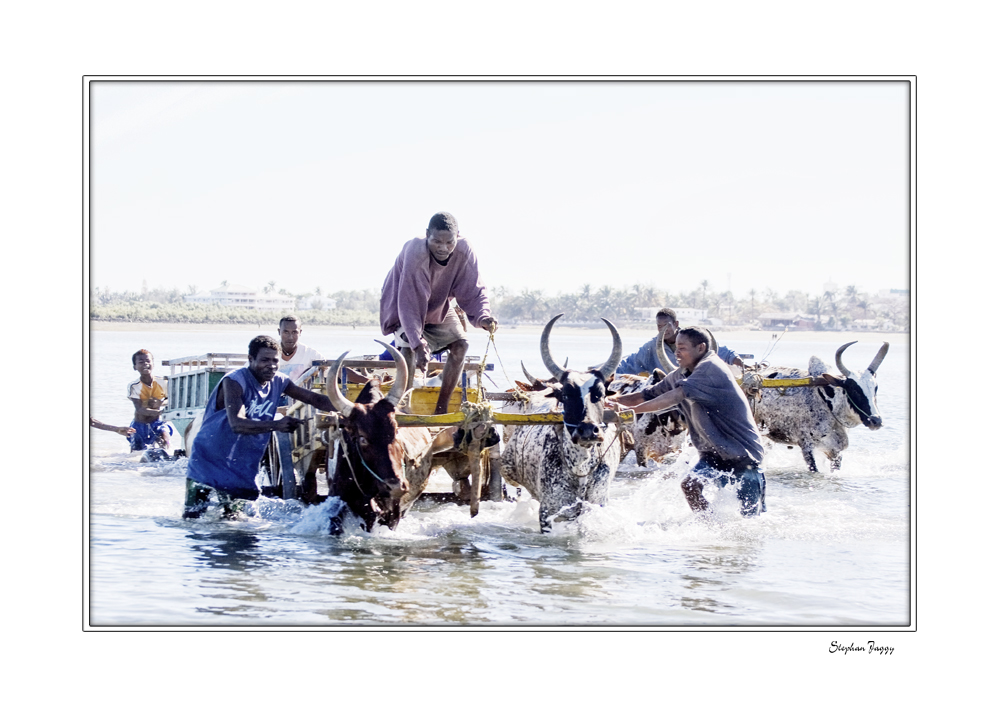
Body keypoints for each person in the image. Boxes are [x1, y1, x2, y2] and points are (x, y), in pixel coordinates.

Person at [607, 326, 766, 517]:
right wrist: (613, 401)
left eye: (682, 348)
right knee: (690, 485)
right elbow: (648, 394)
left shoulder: (710, 368)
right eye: (676, 348)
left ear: (700, 348)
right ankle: (710, 527)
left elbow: (675, 396)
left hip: (743, 457)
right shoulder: (681, 373)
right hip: (714, 456)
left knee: (751, 519)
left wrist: (630, 411)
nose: (676, 353)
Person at [183, 335, 336, 518]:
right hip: (208, 462)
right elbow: (237, 424)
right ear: (250, 359)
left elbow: (314, 399)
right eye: (264, 360)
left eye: (275, 361)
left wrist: (354, 408)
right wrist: (277, 425)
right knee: (192, 518)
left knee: (234, 522)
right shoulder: (233, 381)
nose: (271, 365)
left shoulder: (280, 381)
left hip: (241, 466)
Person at [380, 211, 498, 414]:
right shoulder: (415, 251)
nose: (443, 248)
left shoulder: (464, 250)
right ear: (427, 235)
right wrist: (418, 342)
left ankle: (441, 410)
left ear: (457, 237)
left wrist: (483, 317)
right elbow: (410, 302)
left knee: (462, 344)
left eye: (449, 243)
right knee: (408, 350)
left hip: (438, 307)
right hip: (402, 308)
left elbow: (474, 289)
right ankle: (404, 411)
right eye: (436, 242)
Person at [616, 307, 744, 375]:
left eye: (667, 325)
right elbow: (630, 362)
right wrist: (609, 372)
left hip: (695, 383)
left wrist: (737, 361)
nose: (663, 330)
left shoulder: (692, 337)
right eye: (659, 326)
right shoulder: (651, 347)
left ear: (676, 324)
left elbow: (720, 351)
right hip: (667, 388)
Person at [125, 349, 174, 453]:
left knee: (166, 441)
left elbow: (173, 400)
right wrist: (160, 412)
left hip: (157, 422)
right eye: (141, 362)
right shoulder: (134, 386)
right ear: (135, 367)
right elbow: (140, 409)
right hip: (139, 424)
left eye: (148, 361)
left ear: (153, 364)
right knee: (136, 453)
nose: (145, 364)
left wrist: (161, 403)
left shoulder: (163, 382)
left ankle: (168, 457)